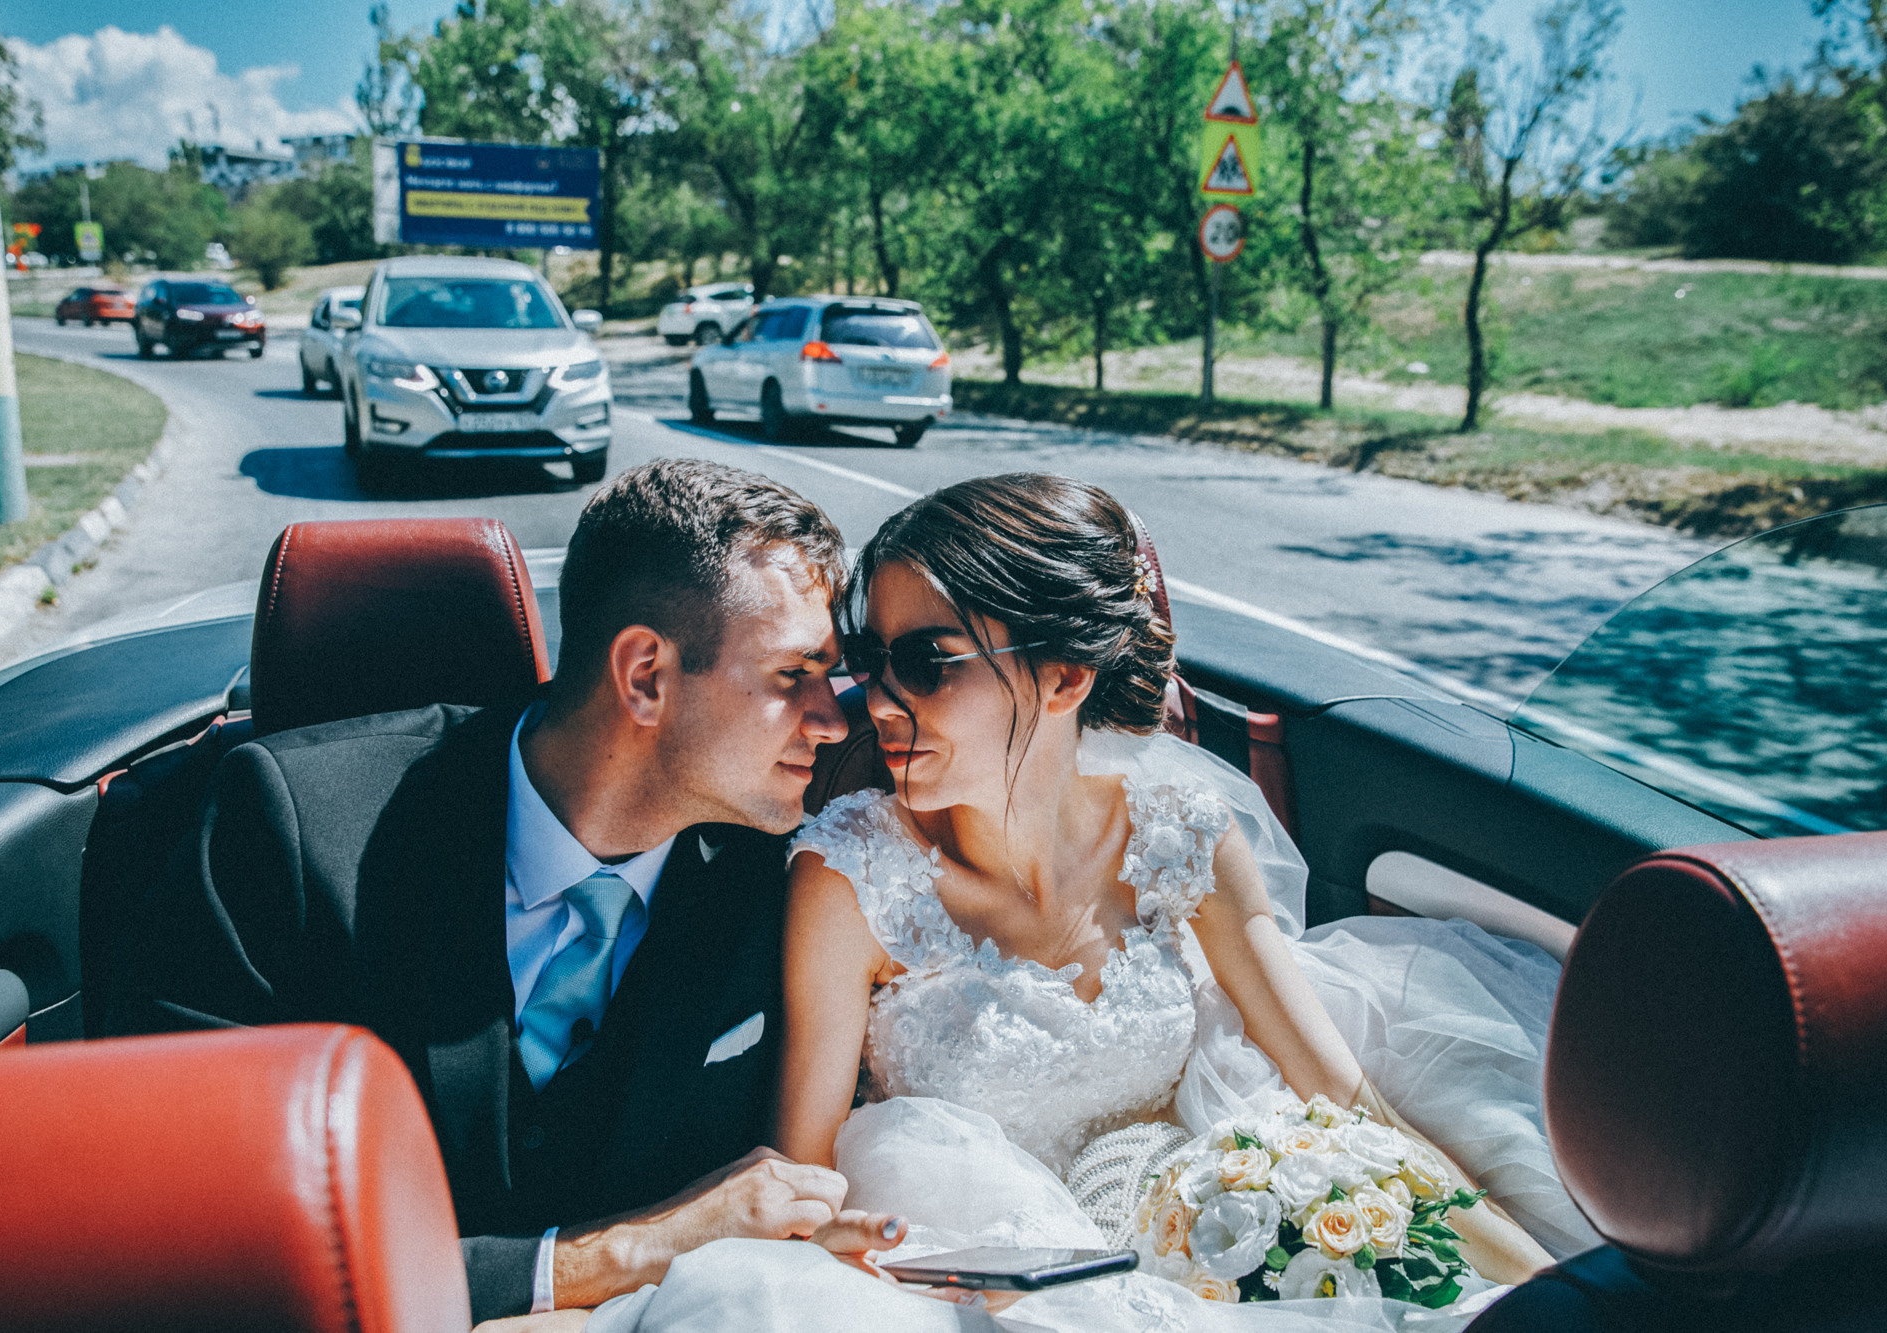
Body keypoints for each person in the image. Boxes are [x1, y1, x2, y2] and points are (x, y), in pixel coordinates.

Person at [591, 473, 1593, 1332]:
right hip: (976, 1269)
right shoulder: (850, 876)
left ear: (1064, 676)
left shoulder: (1181, 831)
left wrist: (1528, 1281)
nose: (876, 703)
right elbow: (803, 1183)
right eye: (872, 662)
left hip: (1209, 1224)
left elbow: (1339, 1099)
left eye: (922, 664)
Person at [114, 460, 907, 1325]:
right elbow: (215, 1238)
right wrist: (621, 1251)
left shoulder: (792, 870)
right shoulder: (287, 830)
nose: (832, 721)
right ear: (644, 674)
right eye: (796, 674)